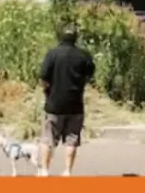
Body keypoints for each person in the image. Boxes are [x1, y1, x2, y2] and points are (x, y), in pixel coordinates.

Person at [38, 23, 96, 176]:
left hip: (54, 104)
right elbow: (90, 75)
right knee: (72, 139)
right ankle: (67, 171)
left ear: (60, 37)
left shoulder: (52, 54)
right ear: (76, 38)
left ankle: (44, 170)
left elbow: (43, 78)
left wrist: (47, 91)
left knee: (48, 138)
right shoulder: (83, 55)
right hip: (75, 104)